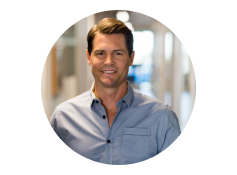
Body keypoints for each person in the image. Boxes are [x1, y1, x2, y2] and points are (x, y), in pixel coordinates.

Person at [50, 17, 181, 165]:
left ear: (131, 58)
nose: (108, 62)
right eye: (100, 53)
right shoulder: (63, 117)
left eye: (118, 53)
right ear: (88, 57)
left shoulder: (162, 117)